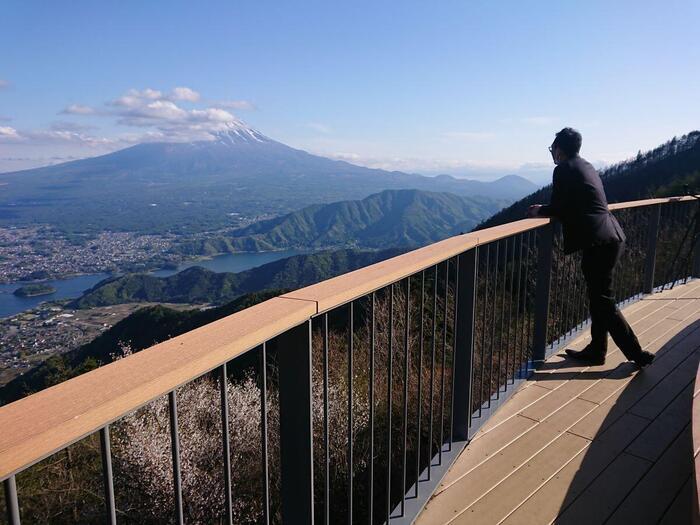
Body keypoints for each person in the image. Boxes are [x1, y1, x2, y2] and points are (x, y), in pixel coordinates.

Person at [527, 128, 654, 367]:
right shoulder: (585, 166)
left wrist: (540, 211)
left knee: (603, 300)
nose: (552, 154)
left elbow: (560, 206)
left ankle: (636, 353)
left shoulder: (563, 169)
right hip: (611, 236)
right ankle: (597, 350)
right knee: (599, 298)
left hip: (598, 242)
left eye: (552, 149)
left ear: (559, 150)